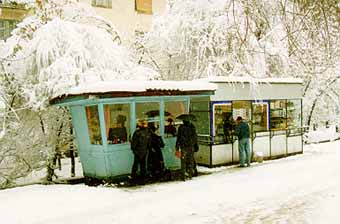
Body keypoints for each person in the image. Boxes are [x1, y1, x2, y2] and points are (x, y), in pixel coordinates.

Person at [130, 119, 151, 185]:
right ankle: (142, 180)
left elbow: (133, 142)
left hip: (138, 151)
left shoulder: (137, 132)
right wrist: (148, 149)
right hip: (143, 151)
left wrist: (134, 150)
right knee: (143, 166)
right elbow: (149, 143)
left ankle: (134, 179)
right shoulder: (147, 132)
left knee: (136, 166)